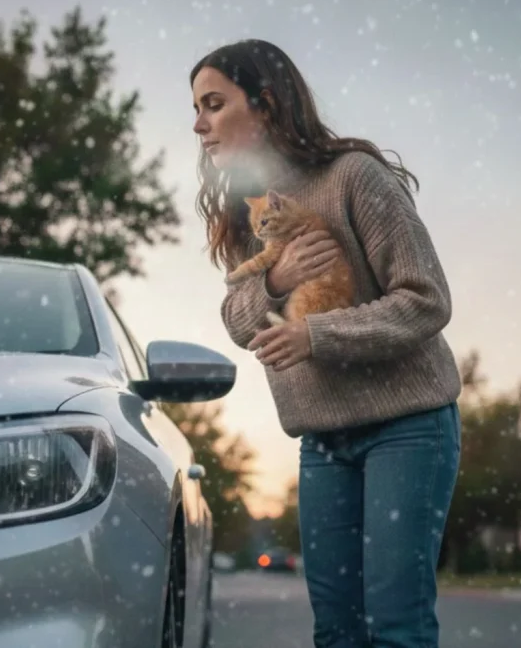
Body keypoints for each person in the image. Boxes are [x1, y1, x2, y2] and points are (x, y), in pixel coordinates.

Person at [190, 39, 463, 648]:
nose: (199, 124)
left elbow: (426, 299)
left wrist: (316, 334)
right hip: (322, 440)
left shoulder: (353, 178)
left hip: (408, 427)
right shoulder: (247, 212)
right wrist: (277, 278)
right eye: (197, 109)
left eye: (214, 104)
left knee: (395, 628)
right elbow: (239, 320)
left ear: (263, 103)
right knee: (336, 632)